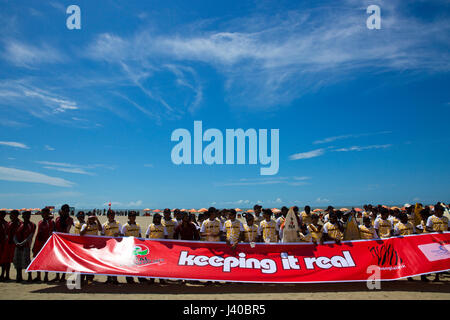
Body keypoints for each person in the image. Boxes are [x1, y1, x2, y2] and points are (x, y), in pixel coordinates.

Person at [32, 208, 55, 282]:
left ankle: (46, 276)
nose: (42, 214)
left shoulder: (51, 222)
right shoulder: (40, 222)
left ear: (48, 214)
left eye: (44, 213)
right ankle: (38, 276)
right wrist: (34, 244)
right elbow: (38, 234)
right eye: (42, 213)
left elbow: (52, 233)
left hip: (47, 243)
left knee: (46, 260)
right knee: (38, 259)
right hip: (39, 243)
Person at [121, 211, 144, 284]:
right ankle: (129, 278)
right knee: (129, 263)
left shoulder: (138, 225)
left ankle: (140, 278)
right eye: (131, 216)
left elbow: (140, 235)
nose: (133, 217)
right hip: (128, 247)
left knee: (138, 263)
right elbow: (122, 236)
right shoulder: (125, 226)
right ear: (128, 217)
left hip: (136, 247)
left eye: (134, 216)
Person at [13, 211, 36, 282]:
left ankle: (30, 277)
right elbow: (15, 235)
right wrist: (17, 243)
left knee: (27, 261)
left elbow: (30, 236)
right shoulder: (19, 224)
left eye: (28, 216)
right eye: (25, 216)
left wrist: (22, 243)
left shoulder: (32, 225)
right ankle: (18, 276)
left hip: (26, 245)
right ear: (22, 216)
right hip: (18, 245)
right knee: (17, 261)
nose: (26, 217)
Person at [101, 209, 121, 285]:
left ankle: (115, 279)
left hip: (116, 246)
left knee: (116, 263)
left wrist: (118, 234)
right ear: (107, 216)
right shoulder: (104, 225)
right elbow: (102, 236)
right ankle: (109, 278)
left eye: (113, 215)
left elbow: (122, 233)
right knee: (108, 263)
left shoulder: (118, 224)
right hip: (107, 246)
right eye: (110, 215)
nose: (112, 216)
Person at [0, 210, 21, 281]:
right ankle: (5, 275)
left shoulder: (20, 223)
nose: (10, 216)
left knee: (17, 260)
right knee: (5, 260)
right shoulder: (8, 223)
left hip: (15, 244)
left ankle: (18, 276)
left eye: (12, 215)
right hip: (7, 244)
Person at [0, 211, 8, 282]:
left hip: (3, 244)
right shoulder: (6, 224)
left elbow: (6, 235)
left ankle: (3, 274)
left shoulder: (5, 224)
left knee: (3, 260)